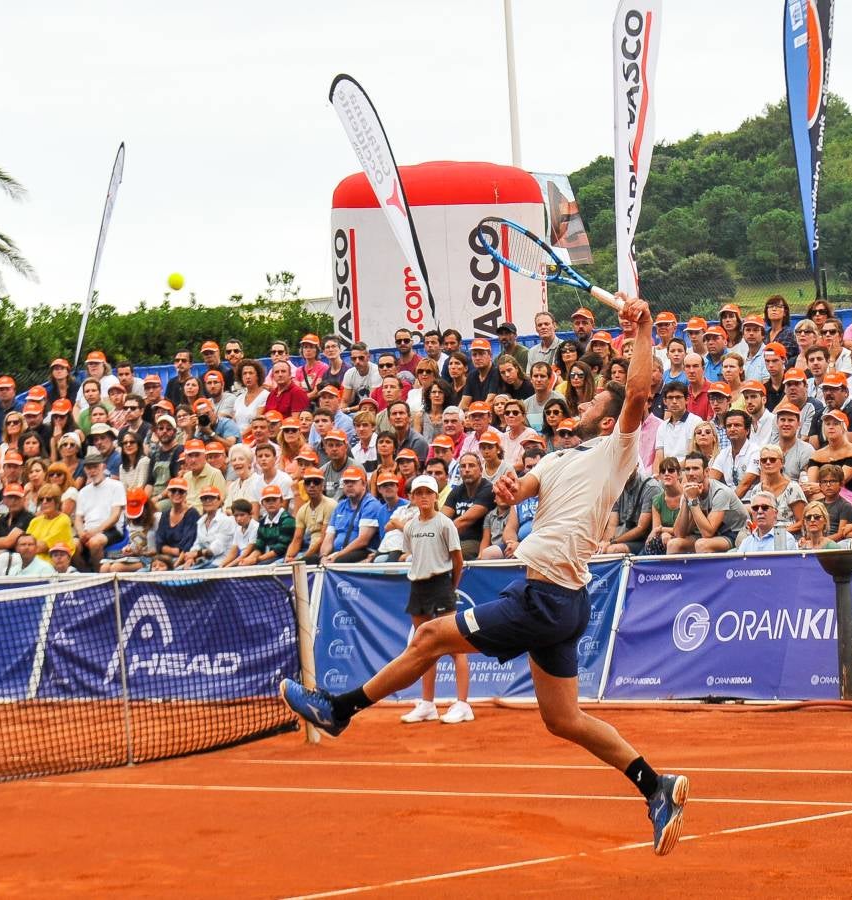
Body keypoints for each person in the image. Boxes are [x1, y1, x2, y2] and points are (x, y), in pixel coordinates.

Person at [280, 295, 692, 857]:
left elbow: (639, 392)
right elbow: (517, 491)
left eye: (597, 398)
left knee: (430, 635)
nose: (587, 400)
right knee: (563, 719)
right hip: (557, 598)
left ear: (607, 416)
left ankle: (339, 709)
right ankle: (655, 785)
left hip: (549, 597)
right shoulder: (554, 459)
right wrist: (507, 489)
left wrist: (642, 327)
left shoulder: (615, 452)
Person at [395, 474, 470, 725]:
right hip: (418, 587)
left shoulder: (445, 524)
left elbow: (458, 561)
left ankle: (463, 704)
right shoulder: (410, 527)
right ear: (412, 498)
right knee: (425, 647)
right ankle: (428, 704)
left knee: (455, 646)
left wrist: (450, 587)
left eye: (428, 492)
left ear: (436, 496)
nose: (424, 497)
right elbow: (413, 556)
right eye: (419, 493)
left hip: (441, 585)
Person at [668, 451, 749, 554]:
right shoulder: (689, 490)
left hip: (735, 534)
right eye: (687, 469)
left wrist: (693, 500)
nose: (691, 473)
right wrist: (686, 499)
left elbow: (708, 533)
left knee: (702, 545)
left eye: (695, 468)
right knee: (673, 544)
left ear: (706, 471)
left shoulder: (720, 492)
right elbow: (679, 533)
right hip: (711, 534)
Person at [598, 469, 661, 555]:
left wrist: (612, 542)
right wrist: (604, 543)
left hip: (645, 540)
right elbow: (612, 525)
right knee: (599, 550)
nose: (626, 469)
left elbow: (641, 528)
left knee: (612, 550)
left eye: (629, 466)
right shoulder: (615, 487)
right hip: (621, 537)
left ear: (637, 465)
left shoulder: (650, 487)